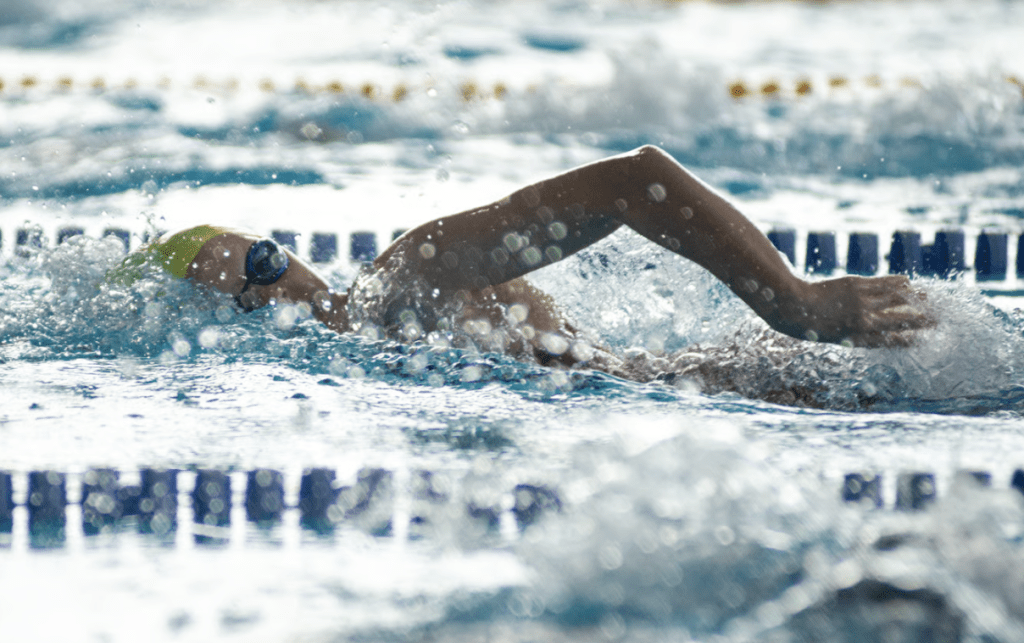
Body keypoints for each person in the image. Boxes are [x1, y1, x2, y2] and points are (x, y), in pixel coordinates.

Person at [115, 146, 932, 372]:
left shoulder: (401, 280)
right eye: (259, 272)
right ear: (251, 319)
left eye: (267, 249)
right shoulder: (376, 336)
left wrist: (797, 302)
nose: (284, 266)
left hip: (727, 385)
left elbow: (635, 182)